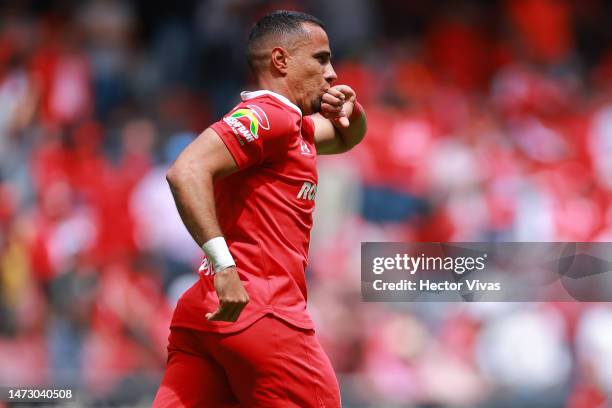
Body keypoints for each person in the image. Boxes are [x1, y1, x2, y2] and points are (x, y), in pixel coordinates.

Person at [152, 10, 366, 407]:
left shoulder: (290, 127)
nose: (333, 73)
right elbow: (186, 170)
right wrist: (224, 265)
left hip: (207, 316)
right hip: (262, 310)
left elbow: (343, 138)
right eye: (321, 59)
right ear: (281, 61)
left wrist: (352, 112)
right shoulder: (268, 117)